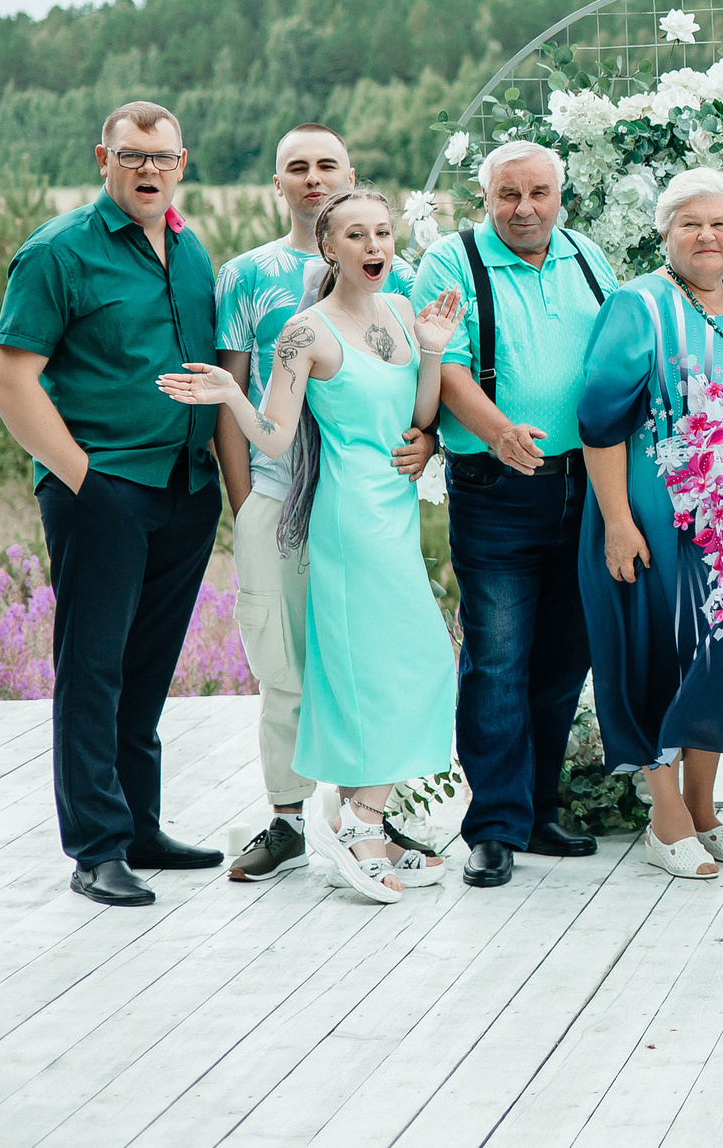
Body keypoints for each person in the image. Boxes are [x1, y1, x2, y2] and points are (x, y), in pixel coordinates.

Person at [160, 189, 467, 904]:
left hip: (394, 510)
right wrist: (231, 399)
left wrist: (431, 349)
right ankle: (358, 822)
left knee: (393, 664)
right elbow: (274, 434)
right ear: (328, 248)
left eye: (383, 232)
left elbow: (418, 418)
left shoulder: (399, 311)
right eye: (356, 234)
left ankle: (369, 816)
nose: (374, 245)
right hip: (347, 517)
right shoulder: (305, 331)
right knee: (397, 661)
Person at [0, 102, 228, 907]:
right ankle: (95, 847)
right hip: (104, 491)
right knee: (92, 669)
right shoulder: (59, 252)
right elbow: (9, 381)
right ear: (104, 157)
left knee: (146, 668)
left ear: (182, 162)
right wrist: (85, 479)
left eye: (161, 157)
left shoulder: (191, 250)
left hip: (188, 491)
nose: (148, 170)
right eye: (132, 156)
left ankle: (139, 827)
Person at [212, 123, 435, 884]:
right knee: (287, 664)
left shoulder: (395, 297)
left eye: (326, 165)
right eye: (296, 167)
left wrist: (427, 443)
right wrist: (247, 505)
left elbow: (410, 406)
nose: (312, 176)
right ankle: (287, 820)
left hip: (364, 504)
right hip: (280, 500)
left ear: (347, 175)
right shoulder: (248, 276)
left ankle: (362, 813)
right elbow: (240, 403)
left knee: (365, 658)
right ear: (280, 184)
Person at [413, 141, 619, 887]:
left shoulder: (589, 255)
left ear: (560, 195)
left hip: (587, 484)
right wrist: (499, 430)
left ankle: (535, 809)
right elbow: (452, 363)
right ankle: (493, 825)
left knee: (568, 654)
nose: (525, 208)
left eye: (538, 193)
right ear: (485, 196)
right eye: (509, 194)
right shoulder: (452, 262)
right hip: (497, 485)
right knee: (498, 655)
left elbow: (622, 354)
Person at [580, 172, 723, 879]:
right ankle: (663, 815)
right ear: (664, 233)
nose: (707, 236)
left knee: (721, 656)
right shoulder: (638, 305)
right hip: (650, 522)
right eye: (689, 223)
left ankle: (703, 805)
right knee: (651, 654)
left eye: (721, 224)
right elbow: (599, 421)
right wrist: (615, 522)